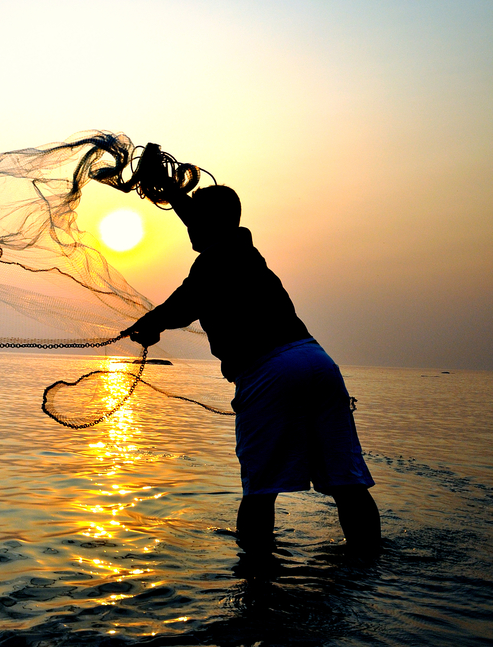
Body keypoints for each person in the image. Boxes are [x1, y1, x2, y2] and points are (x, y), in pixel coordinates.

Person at [121, 182, 381, 561]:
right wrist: (175, 195)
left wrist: (149, 323)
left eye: (195, 222)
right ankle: (369, 568)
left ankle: (257, 587)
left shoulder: (212, 261)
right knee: (348, 483)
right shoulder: (243, 250)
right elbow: (203, 221)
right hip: (318, 362)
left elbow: (183, 303)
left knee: (260, 491)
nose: (189, 228)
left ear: (209, 224)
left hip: (269, 370)